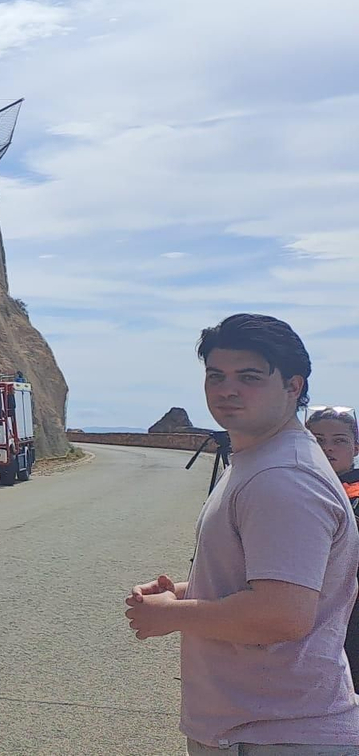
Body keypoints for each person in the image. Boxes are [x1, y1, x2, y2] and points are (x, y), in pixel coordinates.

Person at [125, 314, 359, 754]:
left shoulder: (283, 477)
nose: (226, 390)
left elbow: (281, 615)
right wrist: (182, 593)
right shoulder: (260, 460)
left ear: (293, 386)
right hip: (261, 728)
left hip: (276, 734)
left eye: (249, 377)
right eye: (216, 376)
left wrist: (171, 615)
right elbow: (273, 582)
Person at [308, 406, 359, 693]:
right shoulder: (288, 484)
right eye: (318, 440)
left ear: (355, 448)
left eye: (339, 440)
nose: (328, 448)